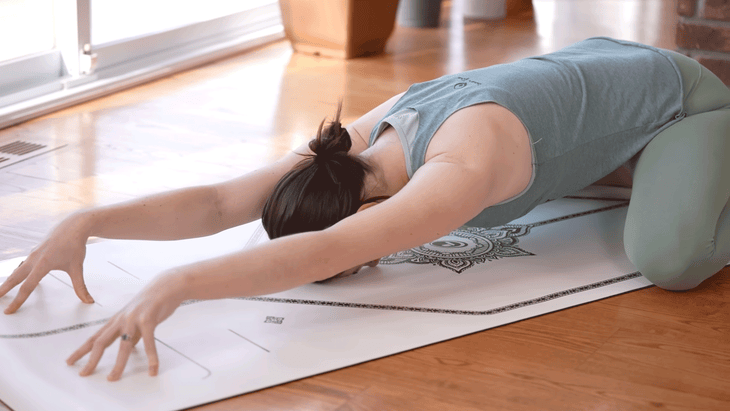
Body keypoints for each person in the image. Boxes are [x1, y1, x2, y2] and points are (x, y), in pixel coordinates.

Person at [1, 37, 729, 382]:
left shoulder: (457, 171)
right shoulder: (352, 148)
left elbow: (322, 250)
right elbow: (223, 199)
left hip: (685, 97)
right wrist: (85, 222)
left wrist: (178, 282)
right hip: (603, 66)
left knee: (669, 258)